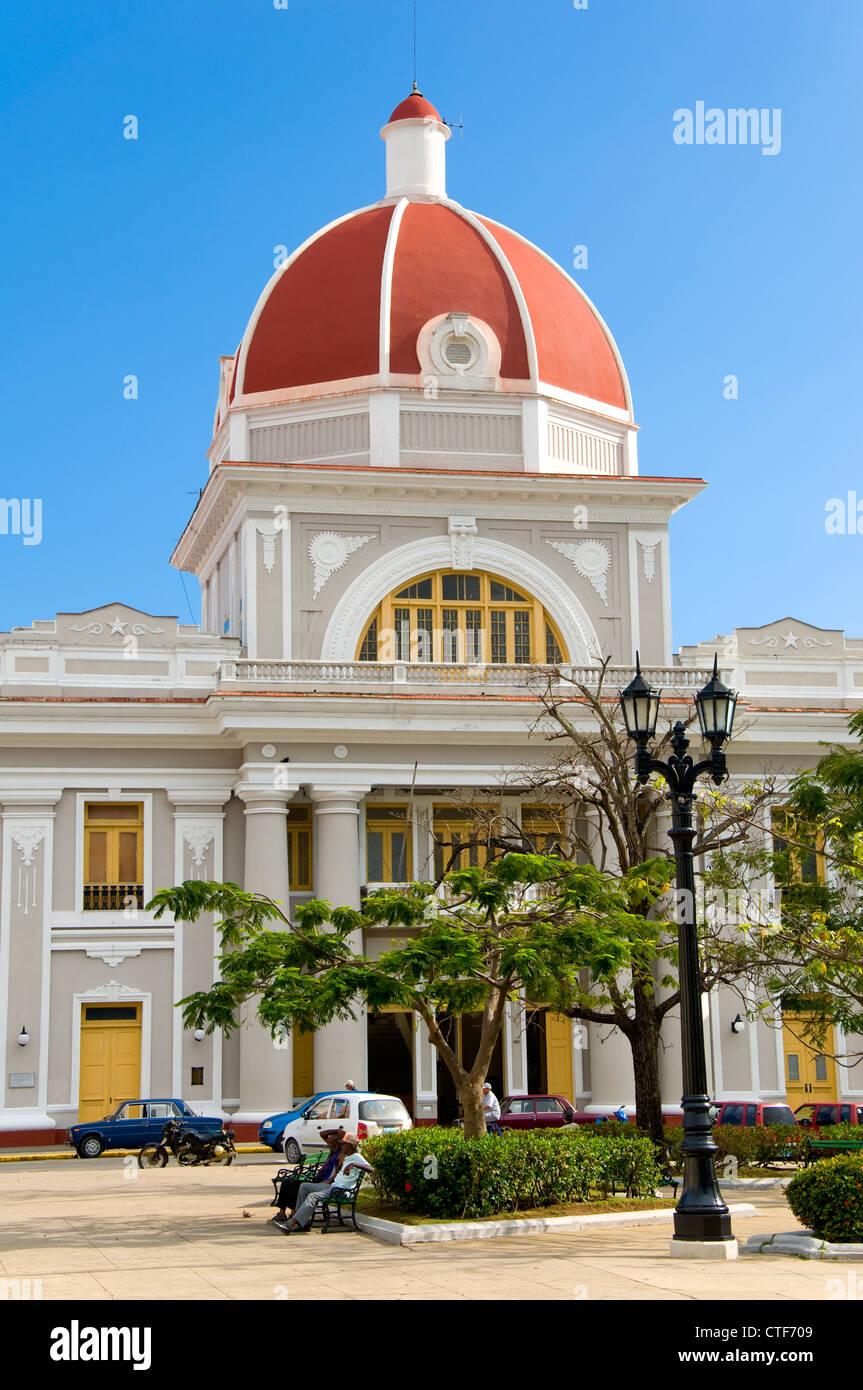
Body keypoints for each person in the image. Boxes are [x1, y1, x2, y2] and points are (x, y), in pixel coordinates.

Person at [279, 1134, 373, 1233]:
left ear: (349, 1145)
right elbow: (340, 1174)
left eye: (343, 1144)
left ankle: (293, 1222)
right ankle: (301, 1221)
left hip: (341, 1191)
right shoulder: (347, 1157)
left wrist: (353, 1164)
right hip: (332, 1187)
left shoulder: (357, 1157)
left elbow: (372, 1169)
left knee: (312, 1196)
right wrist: (333, 1177)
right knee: (304, 1186)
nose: (341, 1146)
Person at [270, 1129, 344, 1227]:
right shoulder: (332, 1152)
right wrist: (336, 1130)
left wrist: (329, 1180)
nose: (328, 1144)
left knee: (295, 1185)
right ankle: (282, 1213)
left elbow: (339, 1172)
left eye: (330, 1143)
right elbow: (322, 1134)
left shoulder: (340, 1154)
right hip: (316, 1179)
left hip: (322, 1182)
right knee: (286, 1182)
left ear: (335, 1143)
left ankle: (294, 1214)